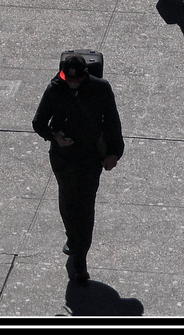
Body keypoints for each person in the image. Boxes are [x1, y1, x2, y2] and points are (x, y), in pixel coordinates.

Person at [31, 53, 125, 283]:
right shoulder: (54, 90)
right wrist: (54, 136)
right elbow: (38, 122)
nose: (72, 83)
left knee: (85, 205)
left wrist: (114, 153)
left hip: (90, 157)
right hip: (63, 158)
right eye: (69, 79)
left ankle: (80, 257)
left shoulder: (100, 89)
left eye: (77, 80)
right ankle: (72, 237)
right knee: (67, 199)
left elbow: (112, 121)